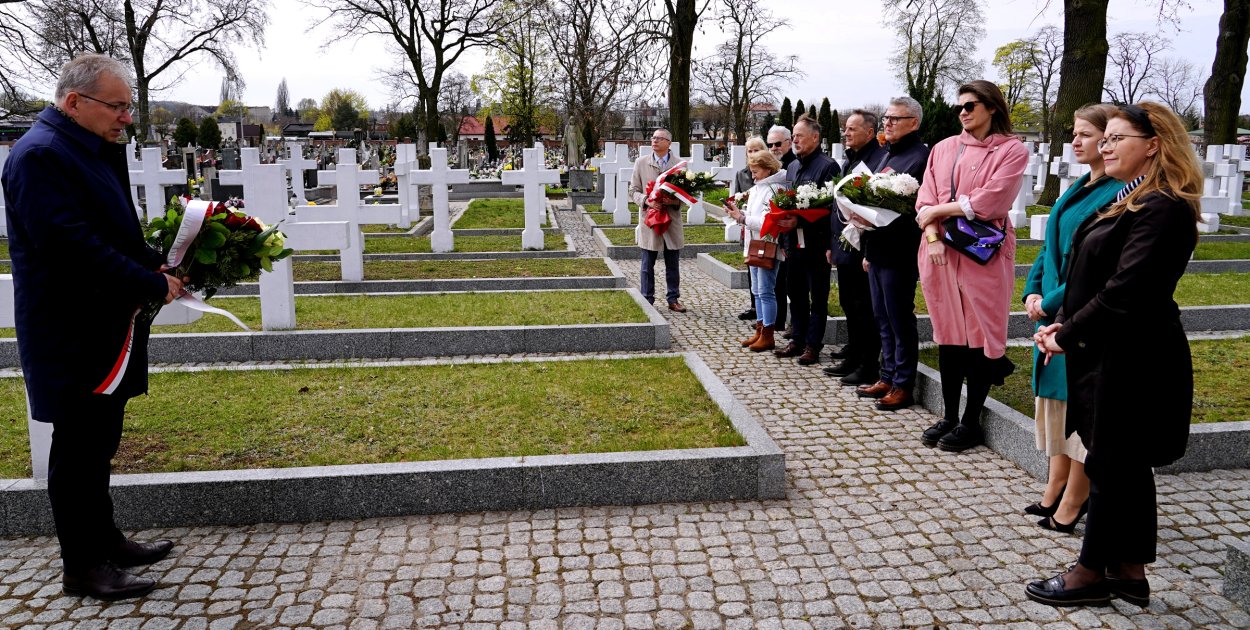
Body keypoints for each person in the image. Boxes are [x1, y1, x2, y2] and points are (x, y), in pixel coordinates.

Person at [1, 54, 182, 600]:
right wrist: (149, 284)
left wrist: (155, 261)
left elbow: (112, 227)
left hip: (104, 322)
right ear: (74, 102)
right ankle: (81, 566)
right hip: (70, 329)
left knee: (99, 439)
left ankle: (106, 539)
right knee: (77, 448)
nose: (126, 117)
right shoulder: (40, 156)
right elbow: (71, 247)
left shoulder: (89, 147)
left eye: (128, 106)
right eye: (118, 106)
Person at [1025, 102, 1201, 608]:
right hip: (1108, 350)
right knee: (1124, 466)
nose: (1104, 145)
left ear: (1154, 144)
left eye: (1116, 137)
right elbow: (1093, 272)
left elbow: (1127, 290)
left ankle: (1089, 574)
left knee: (1110, 463)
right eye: (1105, 138)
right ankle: (1129, 572)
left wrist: (1065, 334)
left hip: (1135, 357)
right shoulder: (1129, 197)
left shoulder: (1163, 207)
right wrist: (1066, 320)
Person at [1021, 104, 1123, 533]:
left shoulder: (1117, 191)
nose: (1076, 142)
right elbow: (1049, 248)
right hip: (1055, 306)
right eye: (1075, 134)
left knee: (1078, 406)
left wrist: (1053, 301)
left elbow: (1093, 264)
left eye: (1086, 134)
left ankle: (1075, 496)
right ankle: (1056, 482)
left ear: (1108, 139)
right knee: (1057, 403)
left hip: (1079, 310)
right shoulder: (1080, 184)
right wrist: (1033, 289)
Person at [914, 80, 1028, 452]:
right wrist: (932, 233)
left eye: (971, 105)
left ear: (992, 107)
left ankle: (971, 420)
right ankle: (949, 415)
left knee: (979, 333)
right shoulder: (944, 148)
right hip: (939, 253)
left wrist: (938, 211)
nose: (963, 112)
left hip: (984, 252)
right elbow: (924, 198)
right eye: (959, 106)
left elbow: (991, 201)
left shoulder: (1012, 150)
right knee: (948, 333)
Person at [852, 96, 930, 411]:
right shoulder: (888, 156)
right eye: (886, 118)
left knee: (899, 318)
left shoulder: (921, 158)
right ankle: (886, 375)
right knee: (881, 318)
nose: (887, 123)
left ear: (914, 122)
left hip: (902, 250)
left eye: (894, 119)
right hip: (879, 249)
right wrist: (868, 248)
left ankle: (903, 383)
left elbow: (918, 208)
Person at [775, 115, 841, 365]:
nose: (795, 140)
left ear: (815, 137)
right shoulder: (792, 166)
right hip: (793, 243)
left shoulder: (828, 166)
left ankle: (813, 345)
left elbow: (830, 207)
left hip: (816, 243)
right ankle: (797, 340)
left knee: (818, 296)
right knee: (796, 293)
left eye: (799, 136)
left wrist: (800, 222)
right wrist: (784, 232)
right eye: (793, 136)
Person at [824, 109, 883, 384]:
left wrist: (869, 250)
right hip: (846, 243)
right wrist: (832, 245)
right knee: (849, 303)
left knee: (864, 308)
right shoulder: (851, 160)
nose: (845, 133)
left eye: (851, 129)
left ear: (869, 133)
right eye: (845, 129)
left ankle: (867, 364)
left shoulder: (878, 160)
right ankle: (853, 355)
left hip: (864, 246)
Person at [725, 149, 789, 351]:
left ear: (768, 169)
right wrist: (739, 212)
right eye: (751, 171)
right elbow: (753, 214)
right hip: (754, 245)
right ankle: (760, 330)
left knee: (766, 291)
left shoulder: (775, 189)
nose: (752, 176)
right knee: (757, 291)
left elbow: (768, 221)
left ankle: (768, 334)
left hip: (766, 245)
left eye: (756, 171)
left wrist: (743, 218)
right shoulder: (759, 188)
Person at [630, 128, 687, 312]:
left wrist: (675, 200)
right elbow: (633, 191)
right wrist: (647, 201)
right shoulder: (641, 163)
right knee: (647, 263)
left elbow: (686, 194)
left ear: (668, 143)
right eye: (653, 138)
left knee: (673, 263)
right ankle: (647, 298)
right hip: (650, 219)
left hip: (671, 219)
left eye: (659, 138)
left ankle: (673, 298)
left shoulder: (680, 165)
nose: (654, 141)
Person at [731, 137, 770, 322]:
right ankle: (754, 306)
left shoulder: (770, 177)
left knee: (765, 276)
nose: (753, 154)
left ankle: (765, 316)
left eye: (757, 150)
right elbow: (737, 196)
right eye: (750, 151)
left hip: (762, 229)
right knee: (751, 268)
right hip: (747, 227)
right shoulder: (741, 174)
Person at [766, 125, 797, 335]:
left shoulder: (793, 165)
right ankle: (776, 320)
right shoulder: (771, 165)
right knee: (776, 280)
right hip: (772, 231)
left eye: (778, 144)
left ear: (789, 142)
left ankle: (793, 323)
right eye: (771, 144)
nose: (774, 148)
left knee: (791, 282)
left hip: (791, 231)